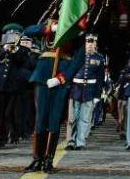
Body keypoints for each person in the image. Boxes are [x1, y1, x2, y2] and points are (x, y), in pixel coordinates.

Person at [22, 20, 86, 173]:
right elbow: (28, 31)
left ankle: (48, 160)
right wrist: (49, 28)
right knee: (40, 119)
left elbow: (80, 57)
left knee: (54, 120)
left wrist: (63, 77)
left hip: (60, 75)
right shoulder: (49, 23)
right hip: (43, 74)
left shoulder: (76, 28)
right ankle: (37, 159)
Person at [67, 34, 106, 150]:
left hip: (89, 91)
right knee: (72, 118)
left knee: (84, 118)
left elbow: (100, 79)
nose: (89, 45)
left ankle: (80, 142)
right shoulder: (77, 56)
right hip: (75, 89)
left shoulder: (99, 58)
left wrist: (97, 95)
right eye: (87, 42)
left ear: (95, 44)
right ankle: (70, 141)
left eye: (92, 43)